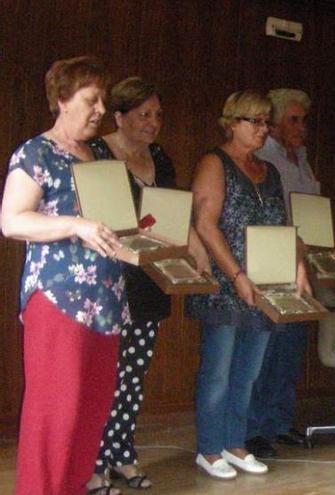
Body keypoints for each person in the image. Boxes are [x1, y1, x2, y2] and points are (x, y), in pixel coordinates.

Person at [0, 56, 127, 495]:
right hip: (59, 300)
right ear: (61, 100)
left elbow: (115, 222)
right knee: (56, 414)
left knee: (90, 411)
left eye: (103, 101)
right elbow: (12, 221)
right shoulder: (36, 152)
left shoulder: (97, 157)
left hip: (107, 302)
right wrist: (76, 225)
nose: (100, 110)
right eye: (92, 100)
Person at [88, 77, 210, 489]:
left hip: (151, 278)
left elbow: (174, 212)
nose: (153, 123)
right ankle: (95, 461)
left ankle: (122, 453)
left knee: (133, 376)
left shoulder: (161, 157)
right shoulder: (97, 153)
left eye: (157, 115)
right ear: (118, 116)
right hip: (109, 279)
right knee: (103, 376)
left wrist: (195, 247)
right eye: (143, 114)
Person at [187, 90, 311, 479]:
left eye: (264, 122)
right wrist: (237, 276)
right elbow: (205, 224)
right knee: (218, 371)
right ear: (231, 123)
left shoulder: (269, 172)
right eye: (253, 121)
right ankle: (209, 448)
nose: (262, 129)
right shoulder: (214, 162)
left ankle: (235, 442)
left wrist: (298, 264)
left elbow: (281, 225)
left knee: (249, 372)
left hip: (264, 286)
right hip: (225, 286)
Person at [246, 88, 335, 458]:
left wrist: (329, 240)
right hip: (274, 262)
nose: (303, 128)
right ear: (272, 124)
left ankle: (278, 423)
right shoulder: (263, 158)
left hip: (303, 267)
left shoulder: (301, 158)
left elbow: (311, 208)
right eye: (294, 120)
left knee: (289, 350)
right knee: (266, 349)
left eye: (304, 120)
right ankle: (254, 430)